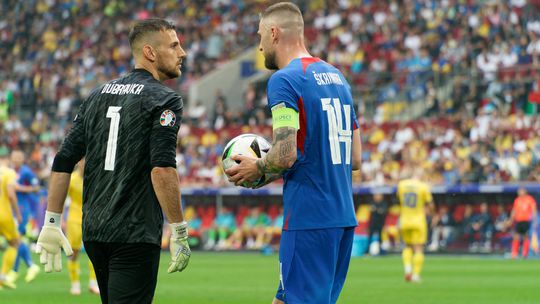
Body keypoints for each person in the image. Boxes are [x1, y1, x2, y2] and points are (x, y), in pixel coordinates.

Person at [35, 18, 191, 303]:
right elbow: (162, 167)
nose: (183, 53)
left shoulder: (97, 95)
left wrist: (51, 221)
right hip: (133, 233)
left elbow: (63, 159)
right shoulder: (164, 99)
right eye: (174, 45)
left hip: (94, 232)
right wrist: (179, 229)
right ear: (150, 53)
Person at [225, 3, 362, 303]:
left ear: (274, 33)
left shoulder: (284, 80)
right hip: (342, 219)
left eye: (260, 36)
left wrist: (258, 167)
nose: (259, 47)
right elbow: (356, 158)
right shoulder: (339, 79)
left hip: (309, 219)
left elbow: (285, 154)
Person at [64, 159, 99, 295]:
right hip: (74, 218)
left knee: (95, 252)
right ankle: (75, 284)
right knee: (74, 252)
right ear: (78, 163)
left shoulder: (95, 178)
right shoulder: (71, 179)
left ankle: (93, 283)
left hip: (91, 218)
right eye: (84, 162)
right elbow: (62, 197)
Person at [6, 150, 40, 286]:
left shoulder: (26, 172)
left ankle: (14, 271)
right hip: (12, 209)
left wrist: (19, 188)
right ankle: (28, 267)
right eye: (14, 157)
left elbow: (36, 187)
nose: (16, 159)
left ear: (22, 159)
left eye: (19, 157)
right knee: (14, 241)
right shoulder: (9, 172)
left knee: (17, 239)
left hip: (22, 209)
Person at [397, 171, 434, 283]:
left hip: (404, 220)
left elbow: (400, 199)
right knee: (418, 248)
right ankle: (415, 275)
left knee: (407, 246)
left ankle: (408, 271)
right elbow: (430, 204)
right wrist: (432, 215)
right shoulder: (423, 187)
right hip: (418, 221)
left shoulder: (401, 185)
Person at [0, 153, 21, 289]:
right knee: (15, 243)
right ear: (6, 159)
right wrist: (17, 213)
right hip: (4, 214)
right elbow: (11, 195)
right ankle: (3, 276)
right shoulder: (9, 173)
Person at [509, 187, 537, 259]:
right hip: (518, 221)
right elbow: (514, 211)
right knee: (516, 237)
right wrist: (511, 220)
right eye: (519, 191)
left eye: (521, 191)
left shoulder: (529, 199)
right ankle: (514, 254)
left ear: (524, 191)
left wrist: (534, 220)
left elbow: (534, 210)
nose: (519, 192)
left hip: (526, 221)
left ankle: (525, 254)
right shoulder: (517, 200)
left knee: (525, 237)